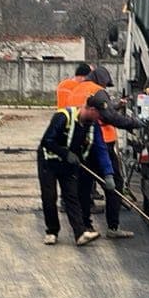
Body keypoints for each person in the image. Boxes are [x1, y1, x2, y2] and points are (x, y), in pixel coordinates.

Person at [60, 67, 140, 239]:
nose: (105, 87)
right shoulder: (97, 90)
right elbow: (109, 117)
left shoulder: (76, 90)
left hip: (79, 144)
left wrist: (115, 106)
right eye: (105, 83)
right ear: (100, 79)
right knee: (114, 183)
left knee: (84, 186)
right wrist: (134, 123)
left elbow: (100, 111)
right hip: (101, 142)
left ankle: (86, 225)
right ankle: (113, 226)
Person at [38, 100, 113, 247]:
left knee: (72, 196)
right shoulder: (63, 116)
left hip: (68, 164)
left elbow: (95, 147)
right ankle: (52, 231)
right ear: (90, 109)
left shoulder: (90, 124)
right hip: (49, 161)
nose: (99, 117)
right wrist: (66, 154)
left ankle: (80, 233)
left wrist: (107, 173)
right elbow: (47, 140)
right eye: (98, 113)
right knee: (49, 196)